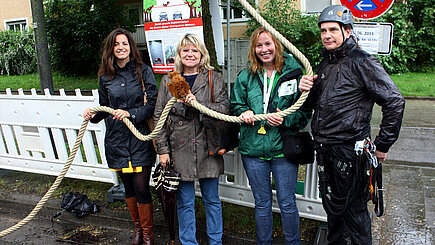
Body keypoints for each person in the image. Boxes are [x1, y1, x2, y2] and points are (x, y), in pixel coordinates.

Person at [299, 5, 405, 244]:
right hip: (326, 149)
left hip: (350, 151)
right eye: (323, 30)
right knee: (333, 211)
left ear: (347, 30)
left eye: (332, 30)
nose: (326, 35)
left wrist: (383, 145)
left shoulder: (362, 62)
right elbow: (316, 104)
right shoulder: (326, 63)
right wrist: (307, 89)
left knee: (354, 215)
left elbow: (394, 102)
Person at [230, 27, 312, 245]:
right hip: (253, 149)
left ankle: (293, 242)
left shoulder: (295, 73)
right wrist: (243, 112)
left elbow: (304, 112)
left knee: (287, 202)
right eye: (259, 45)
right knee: (262, 203)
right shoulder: (246, 74)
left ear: (277, 45)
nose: (264, 49)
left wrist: (286, 119)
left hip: (282, 149)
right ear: (253, 49)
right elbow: (236, 103)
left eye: (268, 44)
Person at [83, 28, 158, 245]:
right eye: (116, 44)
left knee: (143, 186)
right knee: (129, 187)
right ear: (111, 48)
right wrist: (93, 115)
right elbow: (105, 107)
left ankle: (148, 234)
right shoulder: (105, 76)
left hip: (140, 138)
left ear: (130, 46)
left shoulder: (143, 71)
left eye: (124, 43)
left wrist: (131, 114)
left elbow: (151, 104)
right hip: (117, 141)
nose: (121, 47)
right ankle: (137, 230)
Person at [153, 34, 228, 245]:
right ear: (179, 54)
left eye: (194, 50)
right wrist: (162, 150)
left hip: (207, 146)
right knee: (184, 202)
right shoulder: (169, 80)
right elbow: (159, 116)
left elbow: (224, 109)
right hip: (179, 148)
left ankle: (216, 241)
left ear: (202, 54)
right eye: (185, 50)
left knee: (212, 200)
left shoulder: (214, 77)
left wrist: (199, 105)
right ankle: (188, 242)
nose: (190, 54)